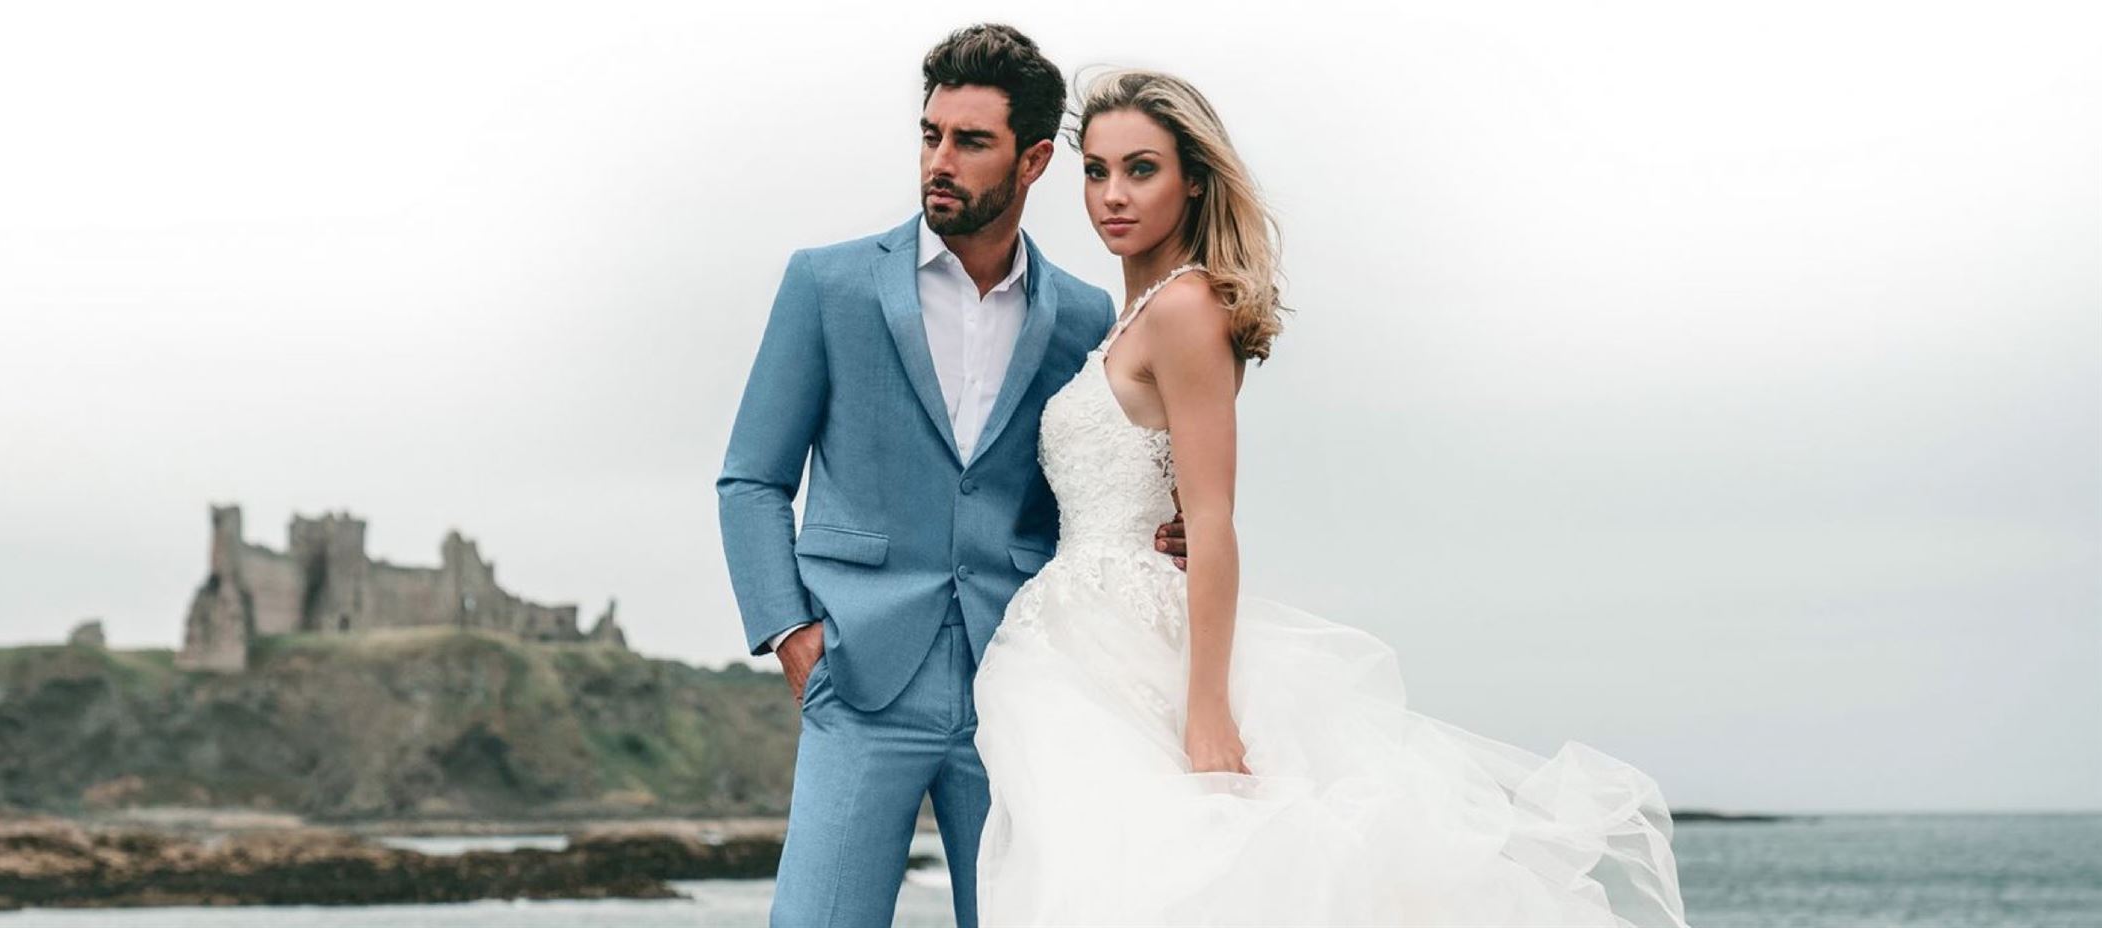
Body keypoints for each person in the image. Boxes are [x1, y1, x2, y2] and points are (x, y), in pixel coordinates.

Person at [966, 67, 1691, 926]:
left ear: (1194, 179)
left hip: (1139, 650)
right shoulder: (1131, 315)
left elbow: (1210, 517)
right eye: (1096, 170)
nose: (1111, 194)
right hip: (1083, 644)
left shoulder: (1186, 307)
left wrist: (1206, 718)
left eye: (1141, 169)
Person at [714, 24, 1187, 928]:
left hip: (1017, 683)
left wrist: (1166, 530)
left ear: (1035, 159)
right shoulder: (829, 284)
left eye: (971, 142)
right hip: (856, 678)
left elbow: (1088, 481)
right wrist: (791, 636)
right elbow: (750, 480)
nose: (941, 159)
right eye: (931, 135)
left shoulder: (1087, 315)